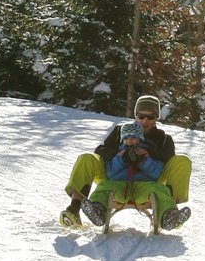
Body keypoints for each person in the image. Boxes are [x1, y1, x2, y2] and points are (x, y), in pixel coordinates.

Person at [59, 95, 192, 228]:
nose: (145, 120)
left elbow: (168, 160)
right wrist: (121, 156)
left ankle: (170, 214)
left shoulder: (163, 138)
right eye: (141, 116)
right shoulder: (120, 132)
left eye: (150, 117)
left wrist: (147, 155)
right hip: (115, 178)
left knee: (182, 161)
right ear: (136, 116)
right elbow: (101, 151)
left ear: (156, 117)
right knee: (87, 159)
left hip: (149, 181)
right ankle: (75, 208)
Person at [80, 122, 192, 230]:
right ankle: (98, 210)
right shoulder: (117, 153)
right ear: (122, 140)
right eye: (126, 138)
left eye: (133, 138)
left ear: (140, 139)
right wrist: (120, 160)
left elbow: (156, 173)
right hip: (118, 186)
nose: (129, 141)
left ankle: (168, 216)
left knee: (160, 190)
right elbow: (110, 173)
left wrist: (145, 161)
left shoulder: (146, 153)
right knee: (103, 187)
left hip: (144, 187)